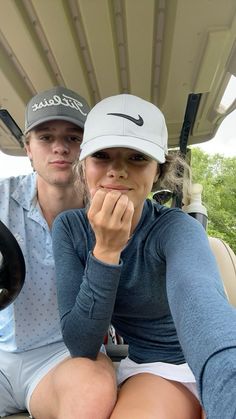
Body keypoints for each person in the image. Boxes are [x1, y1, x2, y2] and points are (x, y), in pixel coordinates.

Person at [52, 93, 236, 419]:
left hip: (199, 360)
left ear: (158, 170)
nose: (117, 171)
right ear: (84, 166)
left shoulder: (175, 228)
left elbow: (202, 302)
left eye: (137, 157)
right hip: (152, 368)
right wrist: (106, 251)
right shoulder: (70, 228)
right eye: (103, 156)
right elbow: (81, 345)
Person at [0, 86, 117, 419]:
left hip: (65, 358)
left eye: (73, 138)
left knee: (91, 393)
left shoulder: (110, 210)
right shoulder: (1, 197)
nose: (60, 148)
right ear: (28, 149)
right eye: (46, 137)